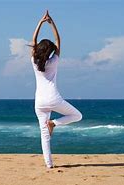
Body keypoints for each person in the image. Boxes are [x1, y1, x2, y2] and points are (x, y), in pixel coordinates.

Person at [29, 10, 83, 168]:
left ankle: (49, 165)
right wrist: (51, 23)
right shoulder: (54, 61)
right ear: (50, 50)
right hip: (53, 98)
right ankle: (54, 123)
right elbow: (59, 41)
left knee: (43, 134)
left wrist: (40, 22)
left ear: (38, 50)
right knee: (77, 115)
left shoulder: (34, 60)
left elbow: (33, 41)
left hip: (39, 101)